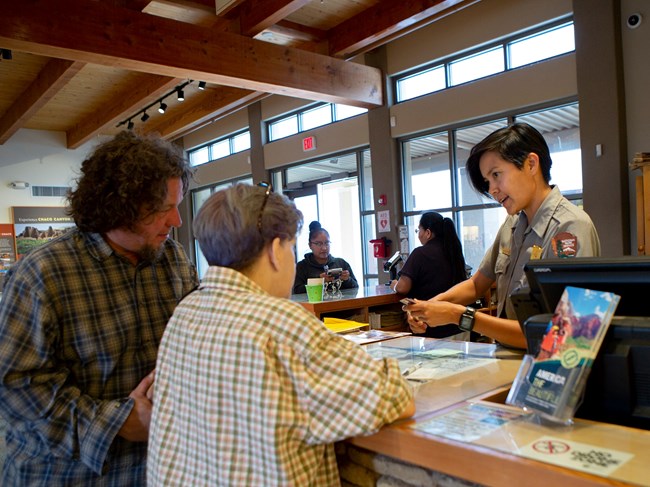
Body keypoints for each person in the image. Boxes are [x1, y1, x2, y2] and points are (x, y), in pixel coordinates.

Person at [147, 183, 414, 486]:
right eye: (291, 246)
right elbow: (395, 396)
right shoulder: (281, 324)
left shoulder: (186, 312)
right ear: (276, 249)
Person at [0, 130, 199, 485]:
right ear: (120, 205)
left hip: (159, 469)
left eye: (177, 205)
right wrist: (118, 421)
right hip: (65, 474)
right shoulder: (42, 274)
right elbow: (16, 390)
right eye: (164, 208)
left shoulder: (174, 260)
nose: (177, 221)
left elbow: (195, 341)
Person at [405, 123, 600, 349]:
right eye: (488, 181)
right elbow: (477, 284)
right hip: (506, 360)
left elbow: (567, 334)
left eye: (497, 175)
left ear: (531, 164)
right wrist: (428, 307)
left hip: (546, 368)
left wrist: (459, 316)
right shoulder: (512, 224)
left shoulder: (570, 228)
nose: (492, 189)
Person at [391, 211, 468, 338]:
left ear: (428, 233)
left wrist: (394, 285)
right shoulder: (453, 252)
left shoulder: (420, 254)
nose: (418, 234)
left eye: (419, 230)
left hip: (433, 328)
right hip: (459, 325)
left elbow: (402, 288)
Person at [292, 220, 359, 294]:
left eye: (327, 243)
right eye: (319, 244)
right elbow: (296, 291)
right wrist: (319, 281)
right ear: (310, 245)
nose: (324, 248)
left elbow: (356, 288)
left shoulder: (341, 263)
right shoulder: (302, 267)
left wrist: (347, 279)